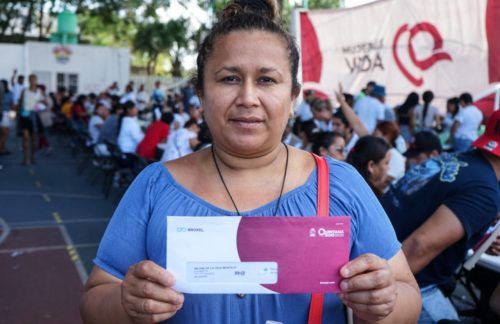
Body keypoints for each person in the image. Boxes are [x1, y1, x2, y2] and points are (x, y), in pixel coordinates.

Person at [80, 1, 421, 323]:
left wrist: (381, 302)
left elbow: (408, 295)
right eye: (229, 78)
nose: (247, 98)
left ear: (292, 97)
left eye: (266, 80)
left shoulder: (340, 184)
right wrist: (128, 302)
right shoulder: (155, 186)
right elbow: (94, 300)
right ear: (200, 93)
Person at [381, 109, 500, 323]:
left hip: (375, 254)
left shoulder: (458, 158)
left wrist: (479, 237)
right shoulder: (485, 191)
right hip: (407, 280)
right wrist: (375, 295)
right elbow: (420, 245)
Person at [0, 80, 14, 155]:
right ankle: (1, 148)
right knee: (5, 133)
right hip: (5, 114)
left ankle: (3, 147)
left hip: (5, 113)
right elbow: (12, 105)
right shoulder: (9, 94)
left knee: (2, 133)